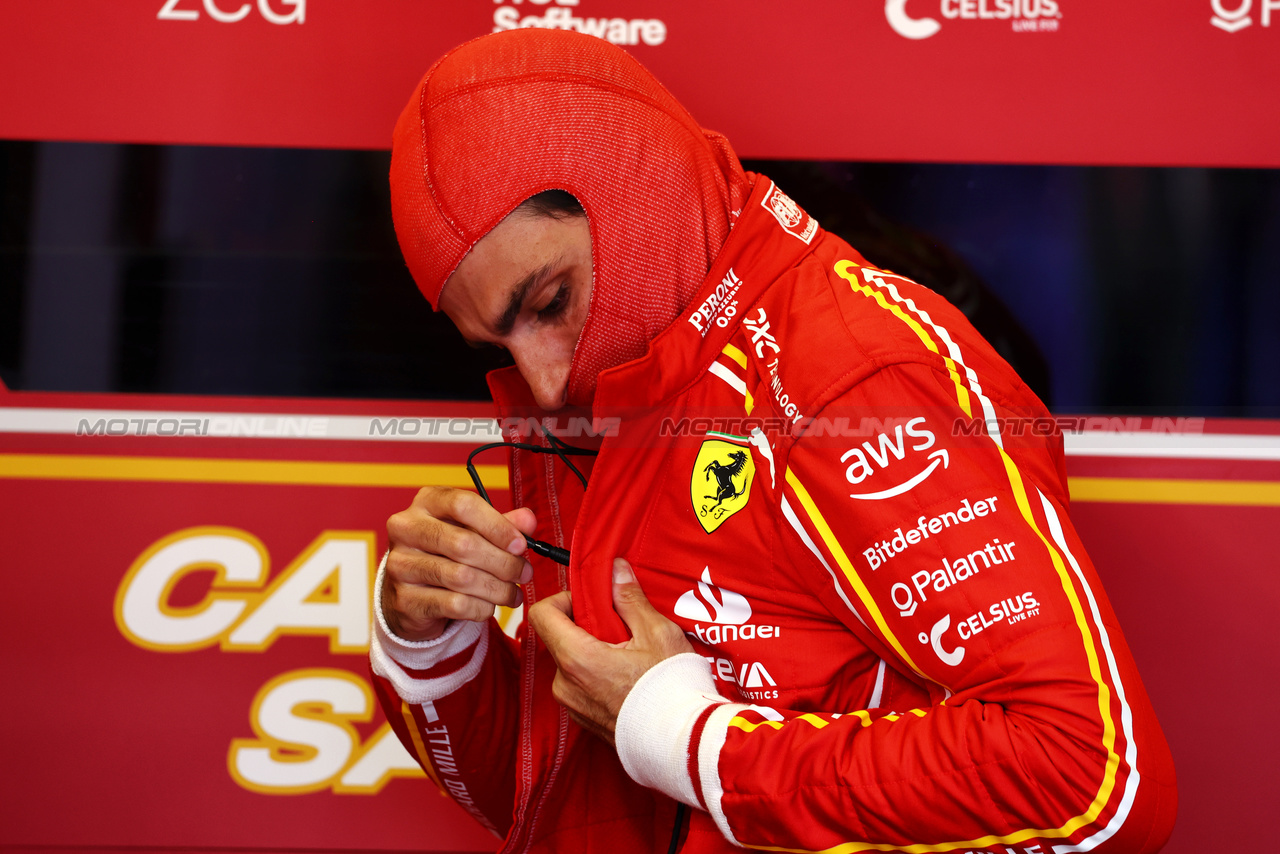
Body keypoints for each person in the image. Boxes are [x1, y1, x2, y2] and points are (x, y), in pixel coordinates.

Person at [370, 27, 1177, 854]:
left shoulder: (857, 374)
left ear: (635, 188)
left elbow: (1091, 775)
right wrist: (427, 637)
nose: (542, 381)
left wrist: (695, 741)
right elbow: (562, 805)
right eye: (497, 348)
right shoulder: (612, 389)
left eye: (549, 301)